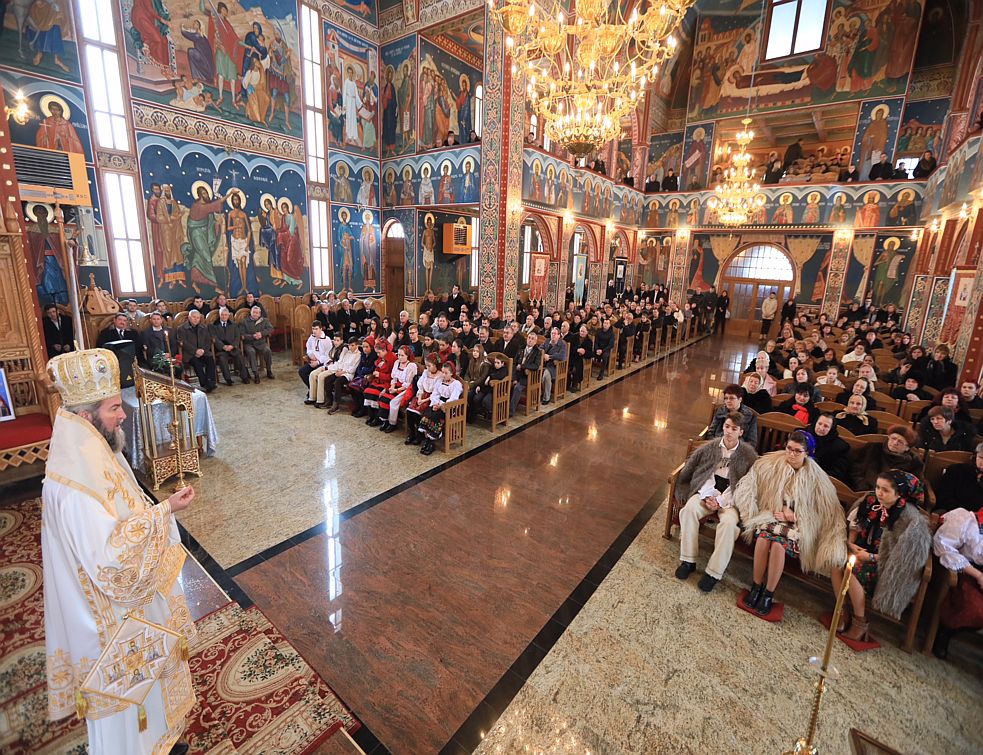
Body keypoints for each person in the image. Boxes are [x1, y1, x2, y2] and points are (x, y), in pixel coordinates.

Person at [42, 348, 196, 755]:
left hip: (128, 607)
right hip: (108, 621)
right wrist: (165, 512)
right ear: (87, 414)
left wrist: (159, 511)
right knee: (126, 711)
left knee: (151, 696)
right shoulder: (75, 483)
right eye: (113, 408)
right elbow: (111, 564)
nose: (123, 414)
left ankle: (162, 742)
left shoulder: (95, 449)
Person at [736, 430, 847, 616]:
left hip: (797, 525)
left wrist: (794, 516)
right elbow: (755, 487)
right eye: (789, 448)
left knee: (778, 545)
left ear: (807, 453)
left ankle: (769, 593)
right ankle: (756, 586)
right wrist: (776, 509)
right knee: (763, 538)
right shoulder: (770, 464)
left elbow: (823, 510)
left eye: (797, 451)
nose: (792, 454)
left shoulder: (816, 476)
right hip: (771, 515)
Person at [831, 471, 930, 641]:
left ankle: (860, 621)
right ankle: (842, 610)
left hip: (882, 564)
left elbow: (900, 557)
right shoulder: (870, 501)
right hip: (861, 551)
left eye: (885, 490)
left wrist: (870, 557)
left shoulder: (909, 519)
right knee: (835, 562)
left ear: (898, 494)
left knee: (851, 570)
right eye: (877, 487)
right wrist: (851, 543)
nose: (879, 493)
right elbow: (856, 523)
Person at [675, 413, 758, 592]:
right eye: (727, 427)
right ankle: (688, 560)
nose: (729, 432)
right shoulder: (711, 447)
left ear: (741, 432)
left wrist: (721, 501)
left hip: (732, 497)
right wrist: (707, 496)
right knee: (689, 510)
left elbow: (746, 485)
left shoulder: (748, 454)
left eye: (734, 429)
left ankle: (714, 572)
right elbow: (701, 472)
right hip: (707, 491)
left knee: (728, 524)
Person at [931, 502, 983, 658]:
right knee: (977, 610)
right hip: (964, 570)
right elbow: (944, 547)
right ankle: (946, 630)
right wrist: (978, 575)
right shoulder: (966, 520)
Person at [851, 426, 923, 492]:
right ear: (888, 437)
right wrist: (864, 488)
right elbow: (857, 470)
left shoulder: (914, 462)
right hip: (864, 490)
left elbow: (913, 485)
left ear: (907, 448)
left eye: (900, 442)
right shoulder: (873, 448)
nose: (895, 443)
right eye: (893, 438)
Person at [417, 361, 464, 455]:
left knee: (435, 416)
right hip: (438, 404)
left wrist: (441, 406)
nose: (443, 375)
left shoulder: (456, 384)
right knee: (428, 413)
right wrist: (435, 404)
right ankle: (427, 439)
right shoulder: (440, 381)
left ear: (451, 373)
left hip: (449, 408)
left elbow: (453, 399)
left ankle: (432, 442)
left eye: (446, 373)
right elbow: (435, 394)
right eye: (442, 372)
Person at [931, 443, 983, 514]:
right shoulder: (957, 470)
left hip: (978, 516)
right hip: (950, 512)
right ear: (975, 456)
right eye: (981, 457)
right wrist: (964, 513)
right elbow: (944, 497)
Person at [177, 309, 217, 392]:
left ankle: (211, 382)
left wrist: (202, 350)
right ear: (189, 318)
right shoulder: (181, 328)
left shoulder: (204, 327)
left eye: (198, 318)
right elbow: (184, 343)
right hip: (190, 354)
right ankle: (205, 384)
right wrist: (195, 351)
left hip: (203, 352)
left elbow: (208, 341)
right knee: (197, 364)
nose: (196, 319)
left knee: (210, 360)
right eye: (194, 317)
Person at [361, 340, 397, 427]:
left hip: (387, 383)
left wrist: (380, 375)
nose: (377, 355)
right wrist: (376, 372)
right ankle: (372, 415)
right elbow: (377, 368)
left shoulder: (392, 359)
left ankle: (378, 418)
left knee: (375, 393)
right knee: (367, 391)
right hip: (378, 381)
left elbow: (392, 376)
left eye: (379, 352)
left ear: (384, 350)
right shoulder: (381, 358)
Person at [210, 307, 247, 385]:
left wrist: (233, 346)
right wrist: (223, 347)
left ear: (228, 315)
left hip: (233, 347)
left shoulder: (234, 324)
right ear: (219, 315)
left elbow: (237, 336)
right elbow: (214, 338)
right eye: (222, 315)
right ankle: (228, 379)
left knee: (240, 357)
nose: (224, 316)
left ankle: (244, 377)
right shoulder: (213, 325)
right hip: (221, 349)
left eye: (226, 315)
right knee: (222, 359)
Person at [811, 414, 851, 483]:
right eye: (819, 424)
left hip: (821, 480)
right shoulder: (804, 435)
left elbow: (837, 473)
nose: (821, 428)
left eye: (826, 426)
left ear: (831, 428)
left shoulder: (841, 447)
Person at [511, 332, 544, 415]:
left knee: (517, 388)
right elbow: (514, 363)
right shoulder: (521, 348)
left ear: (535, 342)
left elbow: (536, 366)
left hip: (527, 377)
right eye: (529, 338)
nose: (530, 340)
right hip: (517, 374)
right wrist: (514, 378)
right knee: (506, 384)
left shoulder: (537, 352)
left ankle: (511, 411)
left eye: (532, 339)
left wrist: (523, 366)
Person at [241, 305, 275, 382]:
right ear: (251, 313)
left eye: (257, 313)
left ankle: (269, 370)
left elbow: (271, 329)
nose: (255, 314)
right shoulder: (244, 321)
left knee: (267, 350)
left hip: (261, 343)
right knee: (251, 352)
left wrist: (261, 334)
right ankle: (256, 374)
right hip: (249, 343)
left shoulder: (264, 320)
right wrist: (252, 336)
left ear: (259, 314)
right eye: (254, 312)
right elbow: (242, 335)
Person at [299, 321, 331, 390]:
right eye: (313, 329)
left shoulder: (327, 340)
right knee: (302, 371)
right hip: (313, 360)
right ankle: (312, 388)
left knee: (313, 374)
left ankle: (314, 390)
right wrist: (311, 355)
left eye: (316, 329)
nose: (314, 331)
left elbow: (328, 355)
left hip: (322, 363)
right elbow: (308, 348)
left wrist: (318, 362)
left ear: (321, 329)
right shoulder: (311, 337)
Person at [541, 327, 568, 405]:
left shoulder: (562, 344)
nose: (553, 335)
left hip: (555, 367)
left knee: (546, 375)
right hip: (543, 364)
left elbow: (562, 356)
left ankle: (546, 397)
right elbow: (540, 349)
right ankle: (539, 393)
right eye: (552, 333)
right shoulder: (547, 341)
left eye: (555, 334)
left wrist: (550, 357)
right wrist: (544, 355)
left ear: (559, 335)